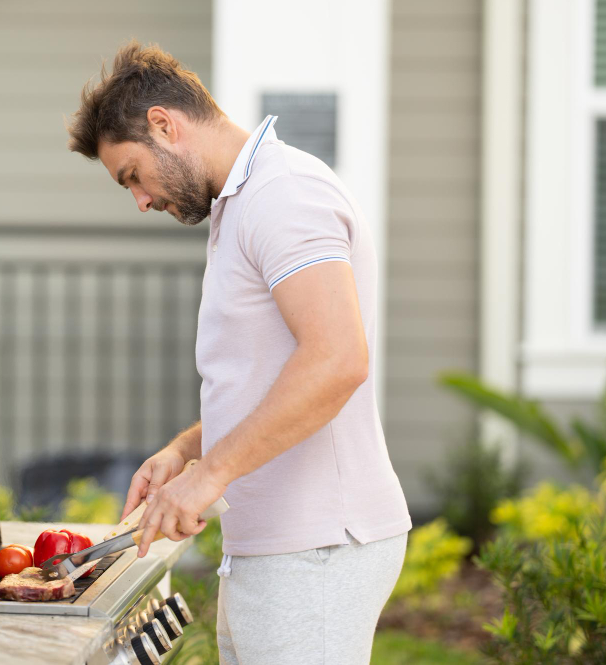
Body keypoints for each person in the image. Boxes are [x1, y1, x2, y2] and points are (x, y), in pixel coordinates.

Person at [66, 42, 412, 664]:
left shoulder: (285, 194)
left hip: (317, 551)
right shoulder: (243, 202)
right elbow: (271, 380)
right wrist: (185, 451)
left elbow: (337, 362)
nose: (141, 201)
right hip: (280, 549)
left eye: (133, 176)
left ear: (164, 125)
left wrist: (210, 477)